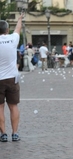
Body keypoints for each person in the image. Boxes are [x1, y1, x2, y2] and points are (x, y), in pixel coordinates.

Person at [0, 14, 23, 142]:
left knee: (0, 107)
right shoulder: (12, 39)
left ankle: (3, 134)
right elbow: (18, 29)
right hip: (12, 78)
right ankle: (15, 133)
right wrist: (19, 19)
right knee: (13, 106)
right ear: (7, 30)